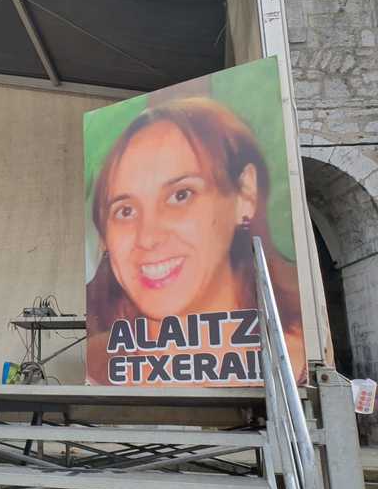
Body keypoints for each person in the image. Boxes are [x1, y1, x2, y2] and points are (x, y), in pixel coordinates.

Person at [86, 97, 305, 384]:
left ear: (245, 193)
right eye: (125, 210)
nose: (148, 237)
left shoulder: (296, 364)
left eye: (181, 195)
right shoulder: (95, 369)